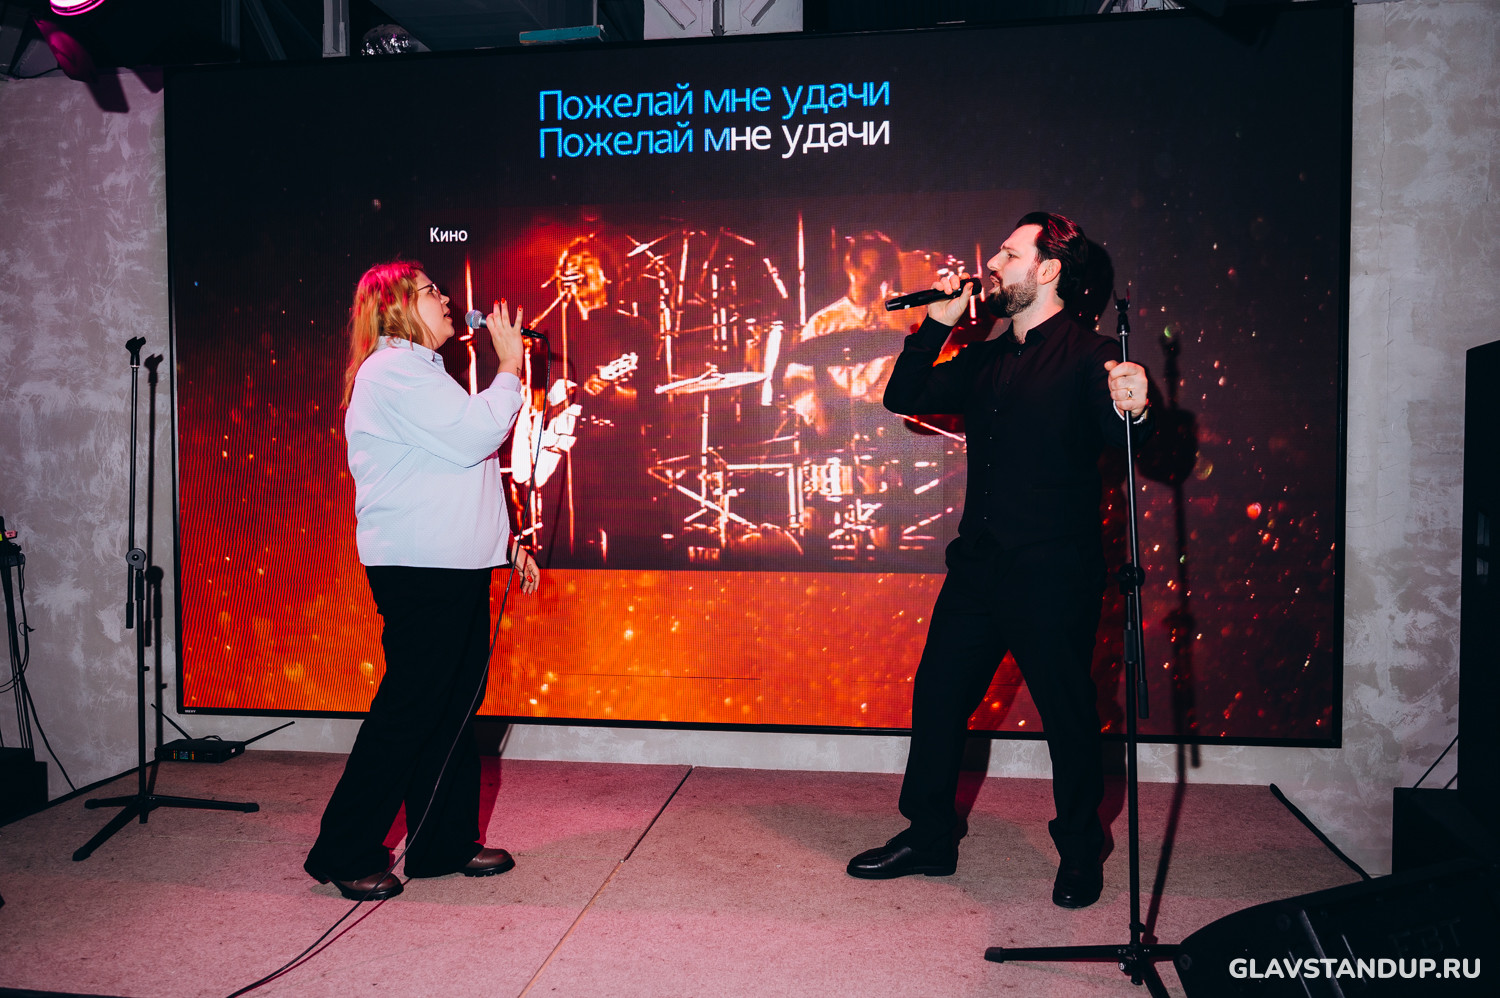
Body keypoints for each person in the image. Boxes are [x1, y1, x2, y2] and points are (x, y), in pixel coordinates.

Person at [847, 213, 1151, 909]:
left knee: (1067, 714)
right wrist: (936, 327)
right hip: (979, 565)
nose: (991, 264)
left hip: (1053, 570)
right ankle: (930, 836)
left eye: (1009, 255)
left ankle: (1080, 849)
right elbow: (904, 397)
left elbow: (1123, 432)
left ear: (1047, 270)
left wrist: (1135, 410)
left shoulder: (1091, 356)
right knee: (938, 697)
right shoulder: (984, 356)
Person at [304, 260, 541, 901]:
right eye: (432, 291)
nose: (447, 298)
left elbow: (453, 472)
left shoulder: (421, 372)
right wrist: (510, 366)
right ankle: (345, 850)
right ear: (397, 307)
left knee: (451, 708)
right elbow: (475, 437)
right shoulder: (392, 370)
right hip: (421, 568)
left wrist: (505, 542)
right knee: (411, 709)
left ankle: (442, 842)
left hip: (451, 563)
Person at [783, 230, 911, 439]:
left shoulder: (907, 316)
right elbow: (798, 376)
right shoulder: (823, 322)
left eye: (880, 270)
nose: (871, 276)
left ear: (890, 274)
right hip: (841, 425)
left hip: (898, 425)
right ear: (851, 268)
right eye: (866, 268)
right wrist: (816, 413)